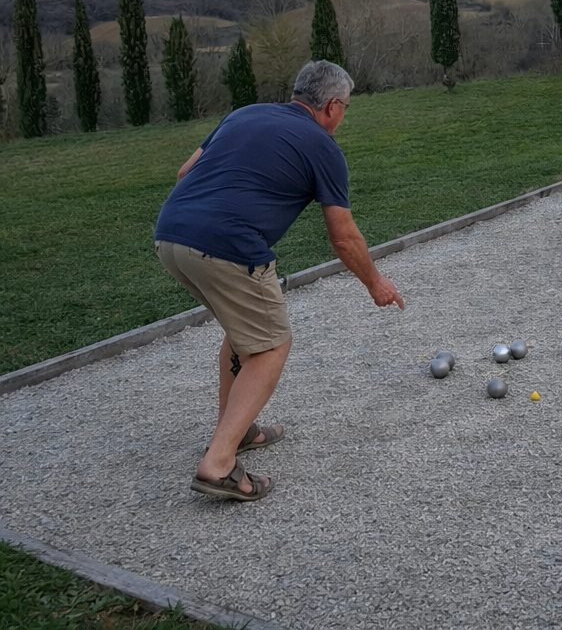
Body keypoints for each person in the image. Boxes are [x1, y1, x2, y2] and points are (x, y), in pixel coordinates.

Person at [154, 59, 404, 501]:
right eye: (344, 107)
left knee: (242, 333)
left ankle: (237, 430)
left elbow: (184, 173)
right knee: (270, 345)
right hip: (227, 248)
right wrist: (375, 283)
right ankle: (219, 465)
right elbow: (344, 238)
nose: (342, 116)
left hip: (171, 237)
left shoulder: (244, 113)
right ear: (331, 106)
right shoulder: (322, 145)